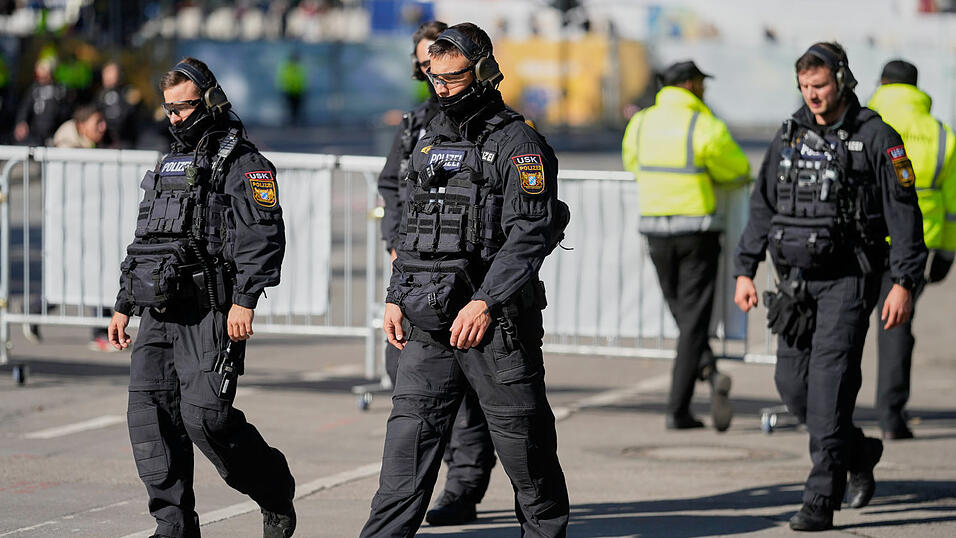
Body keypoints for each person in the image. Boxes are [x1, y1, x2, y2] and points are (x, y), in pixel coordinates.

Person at [361, 22, 571, 537]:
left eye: (453, 78)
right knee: (403, 461)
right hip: (429, 322)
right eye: (435, 78)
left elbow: (530, 233)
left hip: (496, 328)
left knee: (526, 455)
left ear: (484, 72)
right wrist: (395, 296)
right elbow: (413, 227)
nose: (443, 88)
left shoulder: (519, 143)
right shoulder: (429, 140)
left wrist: (485, 302)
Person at [733, 43, 926, 531]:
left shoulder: (878, 136)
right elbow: (762, 204)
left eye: (819, 85)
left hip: (849, 281)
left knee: (830, 390)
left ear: (841, 80)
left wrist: (904, 281)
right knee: (792, 387)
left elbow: (905, 214)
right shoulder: (790, 134)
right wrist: (744, 269)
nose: (812, 95)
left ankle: (820, 499)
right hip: (796, 284)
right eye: (804, 87)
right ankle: (859, 453)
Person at [106, 57, 296, 538]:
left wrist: (245, 300)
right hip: (159, 310)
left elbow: (262, 236)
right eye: (168, 110)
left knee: (206, 418)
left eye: (184, 108)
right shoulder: (168, 162)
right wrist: (124, 303)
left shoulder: (245, 163)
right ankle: (172, 526)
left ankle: (273, 491)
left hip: (211, 310)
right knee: (150, 418)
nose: (175, 118)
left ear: (211, 101)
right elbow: (147, 237)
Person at [376, 20, 497, 527]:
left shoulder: (491, 127)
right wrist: (396, 246)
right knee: (404, 380)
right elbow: (393, 187)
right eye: (428, 67)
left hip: (467, 283)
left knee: (470, 395)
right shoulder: (416, 127)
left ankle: (463, 487)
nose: (437, 77)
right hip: (415, 275)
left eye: (445, 68)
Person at [621, 60, 749, 431]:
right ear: (691, 85)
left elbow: (631, 162)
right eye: (702, 83)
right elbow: (738, 170)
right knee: (693, 321)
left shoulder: (641, 122)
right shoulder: (704, 124)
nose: (705, 89)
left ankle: (708, 370)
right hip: (696, 231)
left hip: (655, 229)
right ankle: (677, 409)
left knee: (683, 313)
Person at [867, 59, 956, 440]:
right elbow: (952, 205)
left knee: (841, 325)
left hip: (863, 237)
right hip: (915, 245)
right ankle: (890, 417)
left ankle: (825, 408)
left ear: (882, 83)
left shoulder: (864, 122)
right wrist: (947, 254)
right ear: (917, 88)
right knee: (896, 327)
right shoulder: (942, 134)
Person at [14, 57, 70, 146]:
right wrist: (21, 121)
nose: (41, 77)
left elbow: (65, 112)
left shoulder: (59, 90)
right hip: (35, 131)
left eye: (44, 74)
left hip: (53, 132)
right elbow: (25, 107)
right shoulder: (34, 89)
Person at [97, 61, 143, 148]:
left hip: (126, 142)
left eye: (111, 72)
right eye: (105, 73)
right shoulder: (100, 95)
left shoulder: (128, 92)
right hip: (106, 142)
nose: (108, 76)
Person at [276, 52, 307, 125]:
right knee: (289, 108)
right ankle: (290, 122)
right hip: (289, 91)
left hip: (298, 91)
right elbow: (283, 79)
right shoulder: (287, 67)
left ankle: (294, 122)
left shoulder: (299, 67)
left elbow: (303, 79)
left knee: (296, 108)